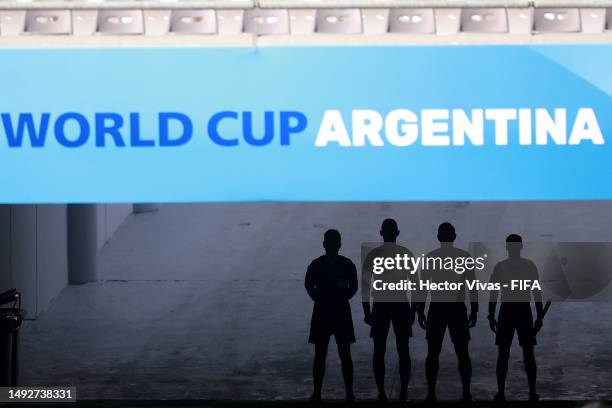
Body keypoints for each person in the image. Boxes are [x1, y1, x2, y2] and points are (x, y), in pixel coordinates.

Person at [415, 222, 478, 403]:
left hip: (438, 307)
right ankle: (466, 392)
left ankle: (431, 393)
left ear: (438, 238)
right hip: (457, 308)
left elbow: (422, 288)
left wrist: (420, 309)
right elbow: (472, 288)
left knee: (433, 352)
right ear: (454, 237)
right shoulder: (463, 257)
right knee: (462, 352)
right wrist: (474, 310)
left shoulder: (431, 258)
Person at [362, 219, 417, 402]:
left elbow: (365, 285)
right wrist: (414, 310)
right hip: (400, 303)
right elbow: (416, 285)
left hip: (381, 304)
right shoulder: (405, 254)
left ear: (381, 233)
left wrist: (367, 311)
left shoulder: (374, 255)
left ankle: (381, 393)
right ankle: (403, 392)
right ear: (397, 233)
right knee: (403, 350)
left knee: (379, 350)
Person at [488, 234, 543, 403]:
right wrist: (539, 316)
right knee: (524, 354)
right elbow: (536, 292)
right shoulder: (528, 266)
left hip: (510, 311)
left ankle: (502, 392)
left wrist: (491, 314)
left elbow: (494, 293)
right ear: (520, 247)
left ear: (508, 247)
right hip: (520, 311)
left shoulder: (502, 267)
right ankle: (530, 392)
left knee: (507, 354)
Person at [305, 229, 358, 403]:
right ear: (339, 245)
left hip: (322, 311)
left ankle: (318, 393)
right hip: (341, 311)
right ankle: (349, 393)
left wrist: (318, 299)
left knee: (320, 354)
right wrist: (343, 297)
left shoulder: (316, 264)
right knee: (345, 354)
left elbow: (308, 285)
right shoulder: (347, 264)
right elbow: (354, 287)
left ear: (324, 245)